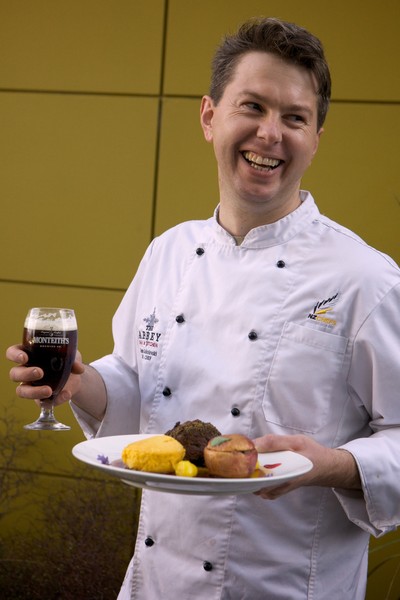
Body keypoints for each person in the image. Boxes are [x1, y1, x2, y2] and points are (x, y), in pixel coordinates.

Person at [7, 16, 400, 600]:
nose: (271, 134)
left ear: (316, 139)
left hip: (285, 586)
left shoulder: (365, 278)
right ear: (209, 116)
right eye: (253, 107)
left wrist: (331, 464)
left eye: (295, 117)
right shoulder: (167, 252)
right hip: (156, 582)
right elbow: (141, 386)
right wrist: (79, 386)